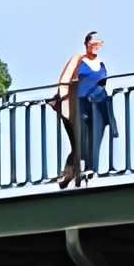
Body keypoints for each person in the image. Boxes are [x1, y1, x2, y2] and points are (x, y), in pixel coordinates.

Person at [53, 32, 112, 186]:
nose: (96, 45)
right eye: (94, 42)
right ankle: (69, 173)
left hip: (96, 105)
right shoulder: (78, 60)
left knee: (94, 138)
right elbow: (64, 82)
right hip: (77, 103)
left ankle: (89, 169)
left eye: (99, 42)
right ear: (87, 43)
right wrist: (65, 105)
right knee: (80, 141)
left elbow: (102, 84)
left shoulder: (101, 63)